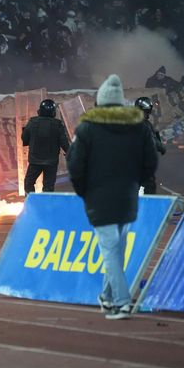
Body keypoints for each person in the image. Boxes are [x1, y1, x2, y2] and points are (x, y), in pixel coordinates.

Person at [67, 75, 158, 320]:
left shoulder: (86, 128)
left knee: (110, 251)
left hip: (99, 197)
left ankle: (122, 302)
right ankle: (107, 297)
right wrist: (135, 182)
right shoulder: (138, 126)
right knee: (117, 249)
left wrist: (84, 190)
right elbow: (151, 162)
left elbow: (75, 165)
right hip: (128, 196)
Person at [21, 99, 70, 193]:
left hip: (35, 160)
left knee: (29, 183)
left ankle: (32, 204)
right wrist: (70, 153)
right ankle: (46, 206)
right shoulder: (58, 124)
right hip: (51, 161)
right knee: (48, 187)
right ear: (53, 112)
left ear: (40, 111)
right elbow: (64, 142)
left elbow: (24, 138)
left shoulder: (32, 122)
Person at [134, 97, 166, 194]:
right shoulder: (144, 124)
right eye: (147, 111)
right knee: (148, 189)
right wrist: (161, 146)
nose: (148, 113)